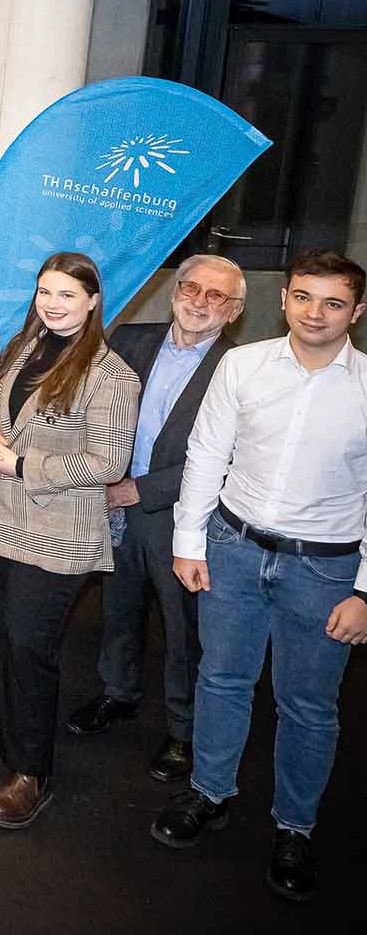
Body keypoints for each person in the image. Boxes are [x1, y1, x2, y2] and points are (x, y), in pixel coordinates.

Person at [152, 250, 367, 902]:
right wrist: (189, 542)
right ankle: (209, 794)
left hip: (324, 569)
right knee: (222, 679)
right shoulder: (243, 365)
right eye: (304, 297)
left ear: (356, 312)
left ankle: (294, 829)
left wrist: (365, 591)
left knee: (308, 707)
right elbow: (206, 454)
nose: (315, 313)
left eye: (333, 303)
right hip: (232, 549)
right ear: (284, 300)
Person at [0, 252, 140, 830]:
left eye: (66, 295)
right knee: (4, 633)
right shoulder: (24, 347)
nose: (53, 304)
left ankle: (31, 772)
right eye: (45, 292)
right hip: (2, 515)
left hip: (57, 532)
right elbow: (0, 411)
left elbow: (109, 462)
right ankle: (11, 728)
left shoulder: (112, 374)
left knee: (31, 646)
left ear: (92, 302)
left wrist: (21, 462)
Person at [63, 256, 244, 785]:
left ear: (233, 311)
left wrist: (136, 489)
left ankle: (182, 731)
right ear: (174, 292)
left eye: (216, 297)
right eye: (191, 288)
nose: (199, 302)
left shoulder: (237, 366)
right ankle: (117, 694)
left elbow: (225, 454)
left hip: (178, 516)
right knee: (116, 607)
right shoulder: (128, 341)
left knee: (181, 626)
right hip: (107, 502)